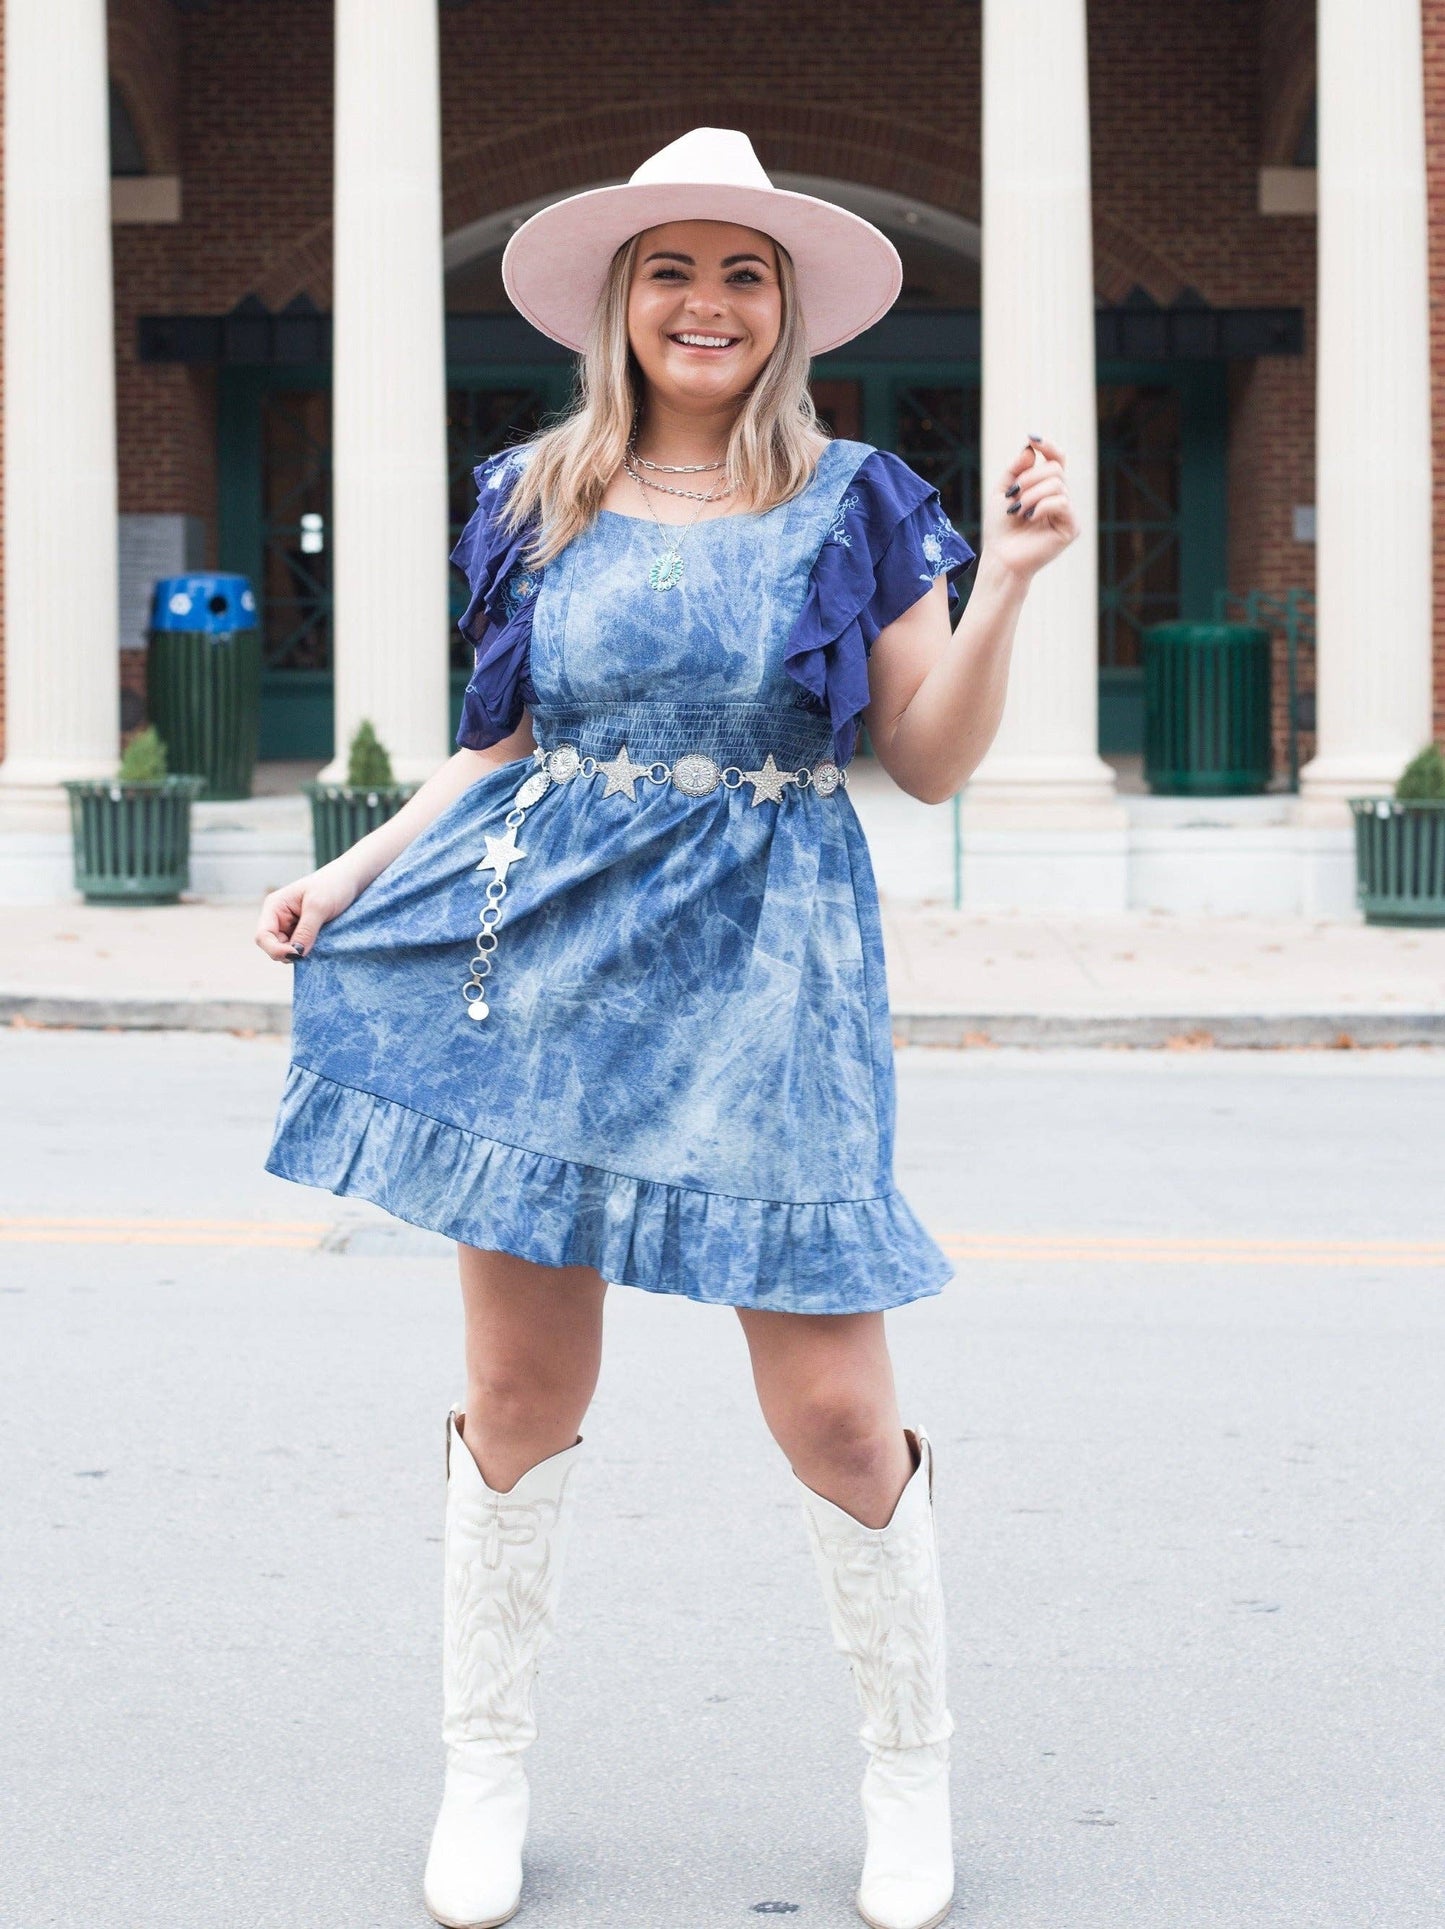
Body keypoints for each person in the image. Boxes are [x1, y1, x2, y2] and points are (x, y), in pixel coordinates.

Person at [256, 127, 1076, 1929]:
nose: (704, 302)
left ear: (784, 313)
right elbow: (495, 747)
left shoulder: (861, 500)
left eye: (742, 273)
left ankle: (905, 1770)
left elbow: (921, 760)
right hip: (545, 968)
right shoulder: (530, 493)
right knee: (520, 1392)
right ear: (618, 305)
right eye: (670, 270)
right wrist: (350, 871)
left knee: (843, 1414)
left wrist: (1009, 578)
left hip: (777, 974)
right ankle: (482, 1768)